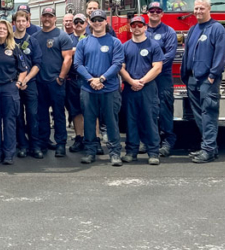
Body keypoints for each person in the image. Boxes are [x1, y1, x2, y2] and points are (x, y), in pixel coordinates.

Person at [180, 0, 225, 164]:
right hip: (192, 79)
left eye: (202, 8)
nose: (198, 11)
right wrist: (186, 76)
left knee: (209, 114)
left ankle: (208, 150)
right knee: (199, 115)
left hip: (208, 80)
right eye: (196, 8)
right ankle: (209, 147)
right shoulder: (193, 29)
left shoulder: (217, 28)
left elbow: (222, 54)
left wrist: (213, 75)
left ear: (209, 9)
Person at [74, 9, 125, 166]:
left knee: (111, 122)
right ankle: (90, 152)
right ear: (90, 22)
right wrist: (91, 79)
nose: (97, 23)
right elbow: (77, 64)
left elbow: (117, 64)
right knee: (89, 121)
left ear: (105, 22)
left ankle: (115, 153)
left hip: (109, 89)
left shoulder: (115, 42)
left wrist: (102, 78)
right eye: (94, 20)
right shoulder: (83, 42)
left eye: (100, 20)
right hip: (88, 89)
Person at [119, 15, 164, 165]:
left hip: (148, 88)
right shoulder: (125, 47)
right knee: (130, 121)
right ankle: (131, 152)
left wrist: (142, 81)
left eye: (140, 25)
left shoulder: (153, 45)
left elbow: (157, 68)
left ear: (145, 27)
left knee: (149, 120)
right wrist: (131, 81)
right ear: (130, 28)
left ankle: (153, 153)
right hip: (130, 88)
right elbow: (121, 67)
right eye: (134, 25)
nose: (137, 28)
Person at [0, 19, 29, 164]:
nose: (1, 31)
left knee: (10, 122)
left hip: (9, 88)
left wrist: (19, 83)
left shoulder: (14, 48)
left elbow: (23, 69)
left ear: (8, 31)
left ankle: (9, 154)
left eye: (4, 29)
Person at [32, 7, 73, 157]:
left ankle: (61, 144)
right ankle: (44, 142)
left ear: (55, 18)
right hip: (39, 82)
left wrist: (61, 77)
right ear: (41, 18)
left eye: (50, 16)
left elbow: (68, 59)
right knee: (41, 115)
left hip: (56, 82)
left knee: (59, 114)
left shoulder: (62, 36)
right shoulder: (35, 37)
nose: (47, 19)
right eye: (45, 16)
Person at [145, 1, 178, 157]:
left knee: (165, 108)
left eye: (158, 11)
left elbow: (170, 55)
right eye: (152, 10)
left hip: (162, 76)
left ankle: (167, 141)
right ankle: (149, 139)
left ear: (162, 13)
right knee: (147, 108)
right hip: (145, 77)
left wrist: (154, 68)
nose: (155, 13)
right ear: (147, 13)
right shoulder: (142, 30)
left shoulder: (169, 32)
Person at [12, 10, 43, 159]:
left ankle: (35, 146)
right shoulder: (9, 41)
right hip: (14, 84)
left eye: (23, 21)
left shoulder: (33, 41)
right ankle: (22, 145)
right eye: (18, 21)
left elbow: (37, 64)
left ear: (28, 23)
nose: (21, 23)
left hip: (30, 84)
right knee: (18, 116)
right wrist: (18, 81)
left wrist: (26, 79)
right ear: (14, 23)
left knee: (32, 115)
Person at [66, 13, 87, 152]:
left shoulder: (92, 37)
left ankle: (94, 139)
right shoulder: (67, 39)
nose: (78, 24)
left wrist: (74, 51)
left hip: (88, 79)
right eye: (76, 22)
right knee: (75, 111)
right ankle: (79, 137)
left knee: (91, 111)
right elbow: (65, 54)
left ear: (86, 24)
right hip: (72, 79)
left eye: (81, 22)